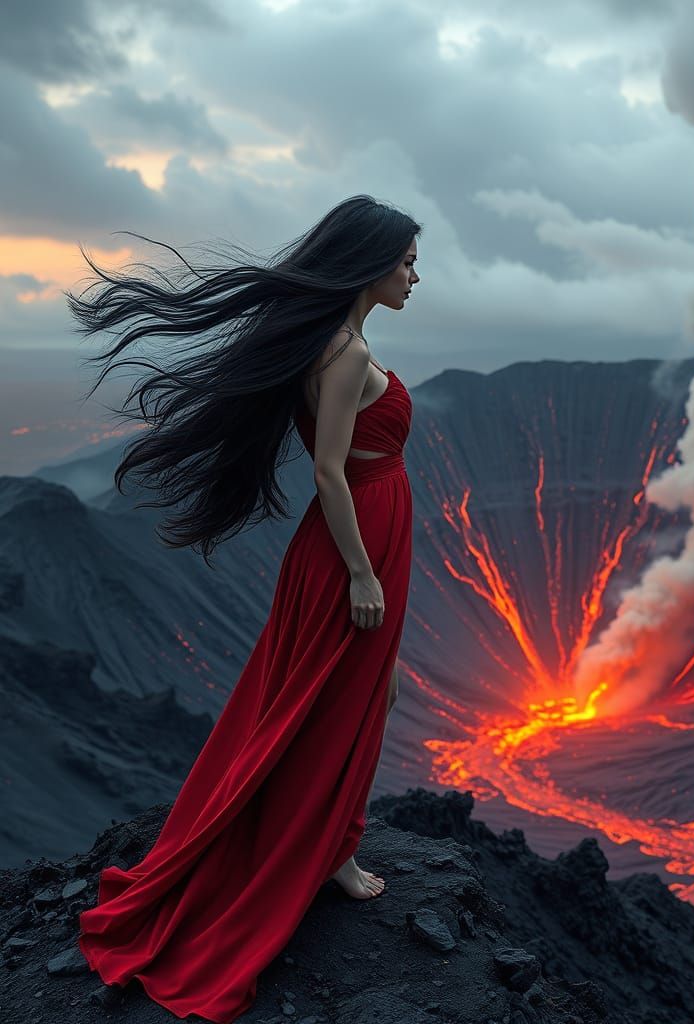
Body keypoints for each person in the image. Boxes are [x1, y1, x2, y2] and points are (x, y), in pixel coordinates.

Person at [65, 195, 421, 1023]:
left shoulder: (345, 342)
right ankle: (319, 852)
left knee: (370, 692)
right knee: (331, 702)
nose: (415, 275)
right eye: (406, 260)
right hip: (353, 546)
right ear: (369, 262)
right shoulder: (341, 352)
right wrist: (362, 575)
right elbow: (331, 470)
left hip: (366, 538)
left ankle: (332, 841)